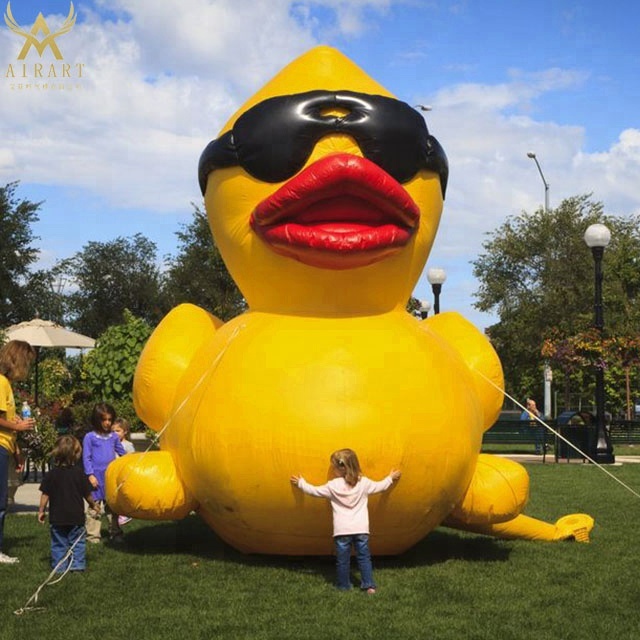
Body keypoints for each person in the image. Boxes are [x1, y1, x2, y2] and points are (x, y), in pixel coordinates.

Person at [290, 448, 401, 593]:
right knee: (364, 559)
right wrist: (390, 478)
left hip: (342, 531)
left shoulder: (333, 486)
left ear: (338, 469)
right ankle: (369, 585)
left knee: (343, 561)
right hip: (361, 529)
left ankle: (344, 586)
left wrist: (301, 483)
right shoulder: (363, 483)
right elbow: (380, 486)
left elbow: (314, 491)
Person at [38, 435, 100, 573]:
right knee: (77, 543)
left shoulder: (51, 474)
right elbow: (87, 494)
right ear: (77, 454)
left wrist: (41, 510)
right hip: (76, 517)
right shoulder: (80, 474)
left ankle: (59, 567)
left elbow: (45, 494)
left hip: (57, 517)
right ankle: (77, 566)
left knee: (58, 543)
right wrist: (93, 504)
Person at [0, 340, 36, 564]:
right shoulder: (1, 382)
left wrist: (17, 451)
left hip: (6, 447)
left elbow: (5, 419)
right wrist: (19, 427)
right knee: (0, 502)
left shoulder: (7, 385)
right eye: (28, 362)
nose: (28, 368)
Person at [82, 403, 125, 543]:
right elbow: (86, 457)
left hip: (110, 477)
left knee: (113, 507)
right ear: (97, 419)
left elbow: (122, 453)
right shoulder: (90, 437)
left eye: (109, 419)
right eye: (104, 419)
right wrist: (90, 474)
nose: (107, 423)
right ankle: (93, 536)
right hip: (95, 477)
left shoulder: (113, 437)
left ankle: (115, 532)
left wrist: (131, 461)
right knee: (94, 507)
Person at [112, 417, 134, 526]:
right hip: (113, 472)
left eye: (117, 431)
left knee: (122, 493)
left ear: (125, 432)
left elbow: (131, 460)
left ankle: (125, 514)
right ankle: (118, 514)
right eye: (113, 431)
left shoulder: (128, 445)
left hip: (123, 472)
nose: (114, 433)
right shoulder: (110, 444)